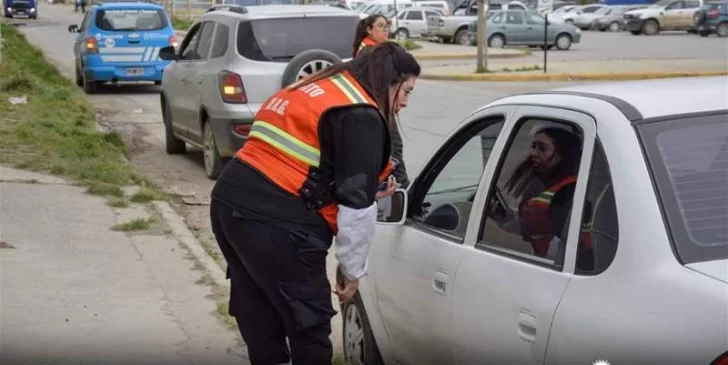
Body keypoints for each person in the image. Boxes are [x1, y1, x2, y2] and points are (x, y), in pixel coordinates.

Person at [209, 42, 420, 365]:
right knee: (309, 324)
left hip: (228, 205)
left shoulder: (312, 88)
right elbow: (357, 208)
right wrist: (351, 271)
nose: (404, 103)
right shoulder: (359, 112)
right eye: (406, 91)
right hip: (277, 223)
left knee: (259, 313)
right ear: (389, 81)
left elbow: (300, 161)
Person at [489, 122, 593, 268]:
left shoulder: (567, 194)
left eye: (542, 148)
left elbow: (561, 248)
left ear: (563, 154)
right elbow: (538, 231)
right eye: (534, 146)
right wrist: (506, 219)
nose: (534, 153)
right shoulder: (547, 186)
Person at [353, 14, 411, 188]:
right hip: (379, 109)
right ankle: (404, 192)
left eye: (387, 26)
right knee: (394, 150)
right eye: (380, 26)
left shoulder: (369, 48)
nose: (385, 29)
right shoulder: (371, 52)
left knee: (389, 150)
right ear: (369, 30)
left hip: (376, 108)